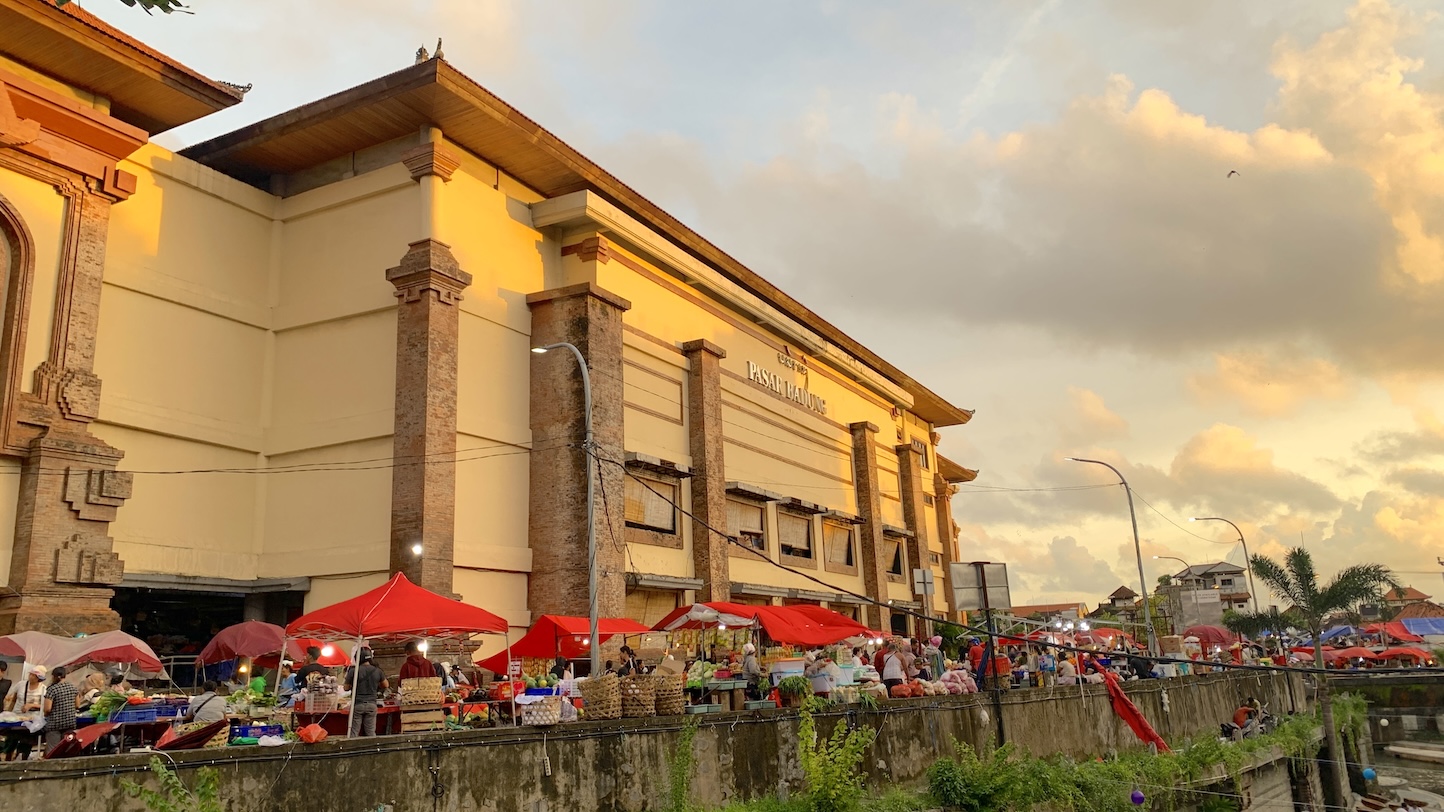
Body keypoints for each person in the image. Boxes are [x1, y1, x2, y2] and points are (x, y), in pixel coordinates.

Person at [2, 666, 47, 761]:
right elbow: (13, 699)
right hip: (17, 716)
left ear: (39, 678)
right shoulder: (21, 685)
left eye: (34, 675)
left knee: (27, 739)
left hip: (32, 718)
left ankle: (22, 757)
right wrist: (9, 712)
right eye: (30, 674)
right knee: (11, 737)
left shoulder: (43, 689)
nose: (31, 676)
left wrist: (32, 705)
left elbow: (45, 705)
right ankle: (7, 757)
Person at [349, 650, 388, 737]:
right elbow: (386, 685)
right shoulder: (378, 671)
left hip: (358, 704)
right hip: (372, 704)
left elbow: (346, 687)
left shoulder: (353, 671)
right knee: (370, 732)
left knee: (354, 732)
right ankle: (372, 745)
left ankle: (352, 745)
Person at [43, 666, 80, 749]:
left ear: (54, 676)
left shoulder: (52, 689)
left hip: (55, 724)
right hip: (70, 723)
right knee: (67, 748)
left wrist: (45, 714)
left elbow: (47, 708)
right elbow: (77, 705)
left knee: (53, 749)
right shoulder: (73, 687)